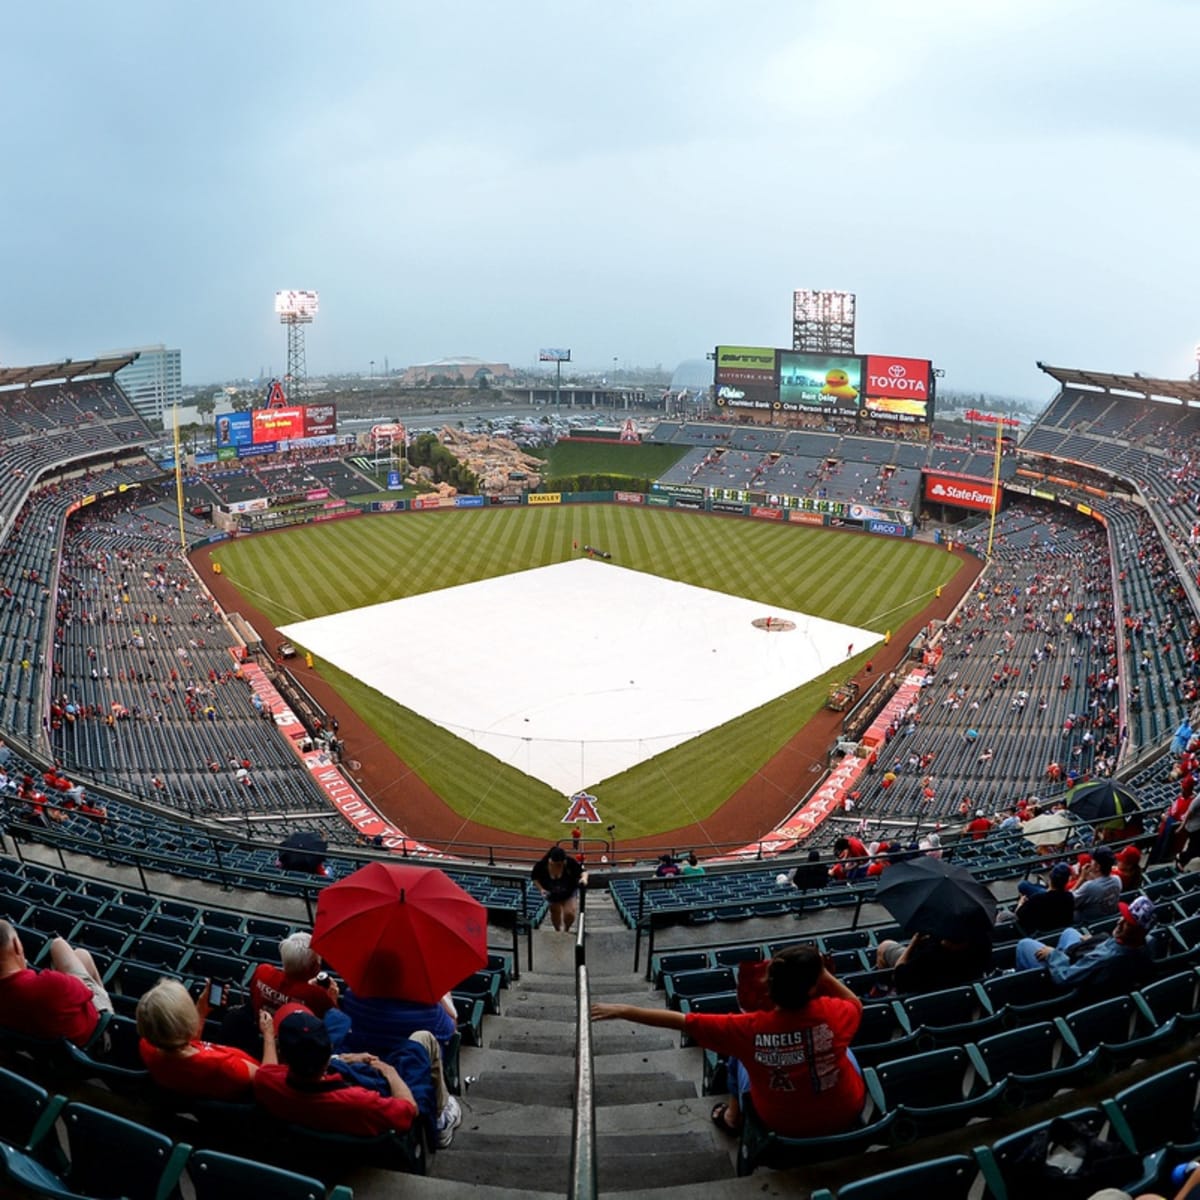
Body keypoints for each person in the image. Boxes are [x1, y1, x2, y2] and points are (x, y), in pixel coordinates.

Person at [591, 945, 864, 1138]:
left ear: (770, 987)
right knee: (841, 1046)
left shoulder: (746, 1028)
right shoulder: (834, 1013)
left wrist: (623, 1011)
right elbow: (854, 1002)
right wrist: (824, 975)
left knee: (737, 1055)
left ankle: (733, 1118)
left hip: (783, 1123)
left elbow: (681, 1020)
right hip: (846, 1109)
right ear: (813, 987)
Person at [253, 1003, 461, 1147]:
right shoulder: (361, 1103)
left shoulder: (267, 1083)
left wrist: (269, 1036)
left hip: (310, 1155)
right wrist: (389, 1071)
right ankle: (442, 1121)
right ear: (327, 1056)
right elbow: (409, 1110)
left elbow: (268, 1070)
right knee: (422, 1039)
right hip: (369, 1153)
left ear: (284, 1058)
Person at [137, 978, 274, 1100]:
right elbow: (267, 1082)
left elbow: (180, 1045)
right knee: (238, 1019)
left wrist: (201, 1010)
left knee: (236, 1018)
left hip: (199, 1085)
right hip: (242, 1084)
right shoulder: (227, 1067)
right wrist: (269, 1035)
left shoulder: (147, 1046)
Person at [1014, 896, 1158, 999]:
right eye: (1123, 917)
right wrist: (1097, 942)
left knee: (1024, 945)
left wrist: (1053, 955)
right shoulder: (1148, 943)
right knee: (1069, 932)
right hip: (1092, 969)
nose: (1119, 922)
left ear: (1139, 931)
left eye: (1128, 923)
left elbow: (1064, 978)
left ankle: (1026, 989)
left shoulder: (1106, 957)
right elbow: (1123, 948)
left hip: (1071, 985)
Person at [0, 920, 111, 1046]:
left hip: (40, 1052)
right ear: (17, 945)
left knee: (78, 955)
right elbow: (87, 993)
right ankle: (113, 1018)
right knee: (67, 947)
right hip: (95, 1035)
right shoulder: (50, 984)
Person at [875, 928, 993, 994]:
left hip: (926, 986)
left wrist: (913, 944)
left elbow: (898, 975)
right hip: (964, 985)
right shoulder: (982, 942)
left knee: (884, 946)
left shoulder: (929, 956)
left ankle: (882, 990)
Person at [249, 932, 338, 1017]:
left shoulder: (263, 971)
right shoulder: (317, 996)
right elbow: (337, 1024)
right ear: (314, 968)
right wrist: (332, 999)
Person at [1002, 862, 1076, 934]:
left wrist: (1020, 903)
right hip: (1058, 933)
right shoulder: (1069, 897)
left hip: (1036, 933)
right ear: (1067, 881)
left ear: (1050, 877)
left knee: (1003, 915)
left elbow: (1018, 915)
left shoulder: (1038, 898)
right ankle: (1041, 884)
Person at [531, 846, 584, 932]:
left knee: (570, 913)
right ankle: (557, 930)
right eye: (557, 864)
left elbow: (582, 872)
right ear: (551, 861)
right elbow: (534, 878)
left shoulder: (569, 862)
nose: (559, 866)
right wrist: (541, 889)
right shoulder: (541, 865)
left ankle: (566, 929)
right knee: (555, 912)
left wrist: (584, 878)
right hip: (552, 893)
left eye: (561, 864)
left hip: (568, 891)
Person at [1071, 845, 1122, 925]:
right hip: (1107, 921)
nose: (1090, 862)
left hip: (1085, 923)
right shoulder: (1117, 880)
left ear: (1097, 867)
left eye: (1092, 860)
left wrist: (1081, 879)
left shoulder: (1090, 886)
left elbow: (1068, 902)